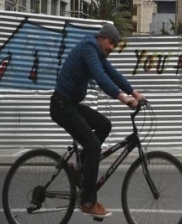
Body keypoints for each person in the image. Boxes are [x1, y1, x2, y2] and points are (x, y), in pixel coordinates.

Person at [50, 24, 144, 218]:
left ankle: (78, 166)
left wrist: (133, 91)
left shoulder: (99, 54)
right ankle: (88, 202)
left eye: (115, 46)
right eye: (111, 43)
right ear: (101, 38)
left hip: (71, 104)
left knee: (104, 125)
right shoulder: (88, 47)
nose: (112, 48)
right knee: (93, 146)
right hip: (61, 105)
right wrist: (122, 97)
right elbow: (100, 77)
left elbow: (112, 73)